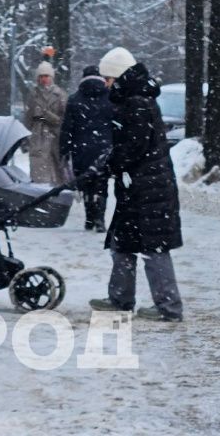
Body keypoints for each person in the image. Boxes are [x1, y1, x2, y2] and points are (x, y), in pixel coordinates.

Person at [87, 47, 183, 322]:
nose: (105, 84)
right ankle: (120, 297)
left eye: (108, 78)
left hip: (148, 188)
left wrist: (110, 165)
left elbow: (134, 147)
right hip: (139, 185)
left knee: (154, 247)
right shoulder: (135, 99)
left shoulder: (137, 102)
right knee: (123, 242)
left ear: (118, 76)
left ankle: (169, 307)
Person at [59, 65, 114, 232]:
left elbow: (67, 127)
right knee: (101, 182)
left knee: (85, 182)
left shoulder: (75, 99)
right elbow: (115, 124)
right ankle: (100, 218)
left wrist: (64, 149)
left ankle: (89, 218)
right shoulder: (110, 98)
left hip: (80, 149)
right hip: (104, 149)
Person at [24, 61, 68, 185]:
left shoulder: (60, 95)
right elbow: (28, 117)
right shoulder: (33, 94)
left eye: (46, 76)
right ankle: (40, 193)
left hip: (55, 135)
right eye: (41, 76)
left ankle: (58, 194)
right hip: (38, 136)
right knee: (38, 170)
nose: (44, 79)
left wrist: (49, 116)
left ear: (52, 77)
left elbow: (65, 119)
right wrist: (25, 137)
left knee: (57, 170)